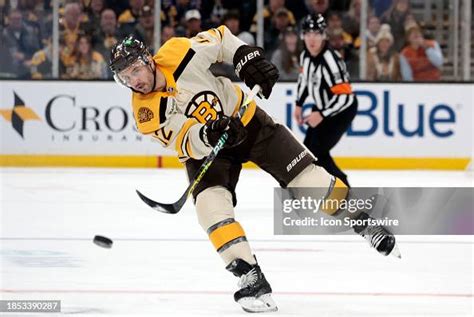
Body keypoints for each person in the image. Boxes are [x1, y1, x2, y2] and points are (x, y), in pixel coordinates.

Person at [109, 25, 399, 313]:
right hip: (209, 150)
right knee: (210, 209)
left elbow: (221, 39)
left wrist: (245, 57)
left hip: (247, 121)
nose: (134, 81)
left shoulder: (177, 51)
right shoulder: (145, 112)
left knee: (308, 180)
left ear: (148, 60)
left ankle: (364, 221)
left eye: (135, 70)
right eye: (125, 78)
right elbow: (183, 139)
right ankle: (250, 276)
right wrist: (209, 134)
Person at [295, 14, 358, 187]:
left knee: (317, 152)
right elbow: (305, 81)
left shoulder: (332, 61)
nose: (311, 38)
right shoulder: (305, 56)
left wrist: (321, 114)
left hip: (341, 111)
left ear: (324, 35)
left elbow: (345, 97)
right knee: (306, 152)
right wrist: (299, 104)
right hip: (323, 108)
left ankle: (345, 190)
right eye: (308, 33)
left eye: (316, 33)